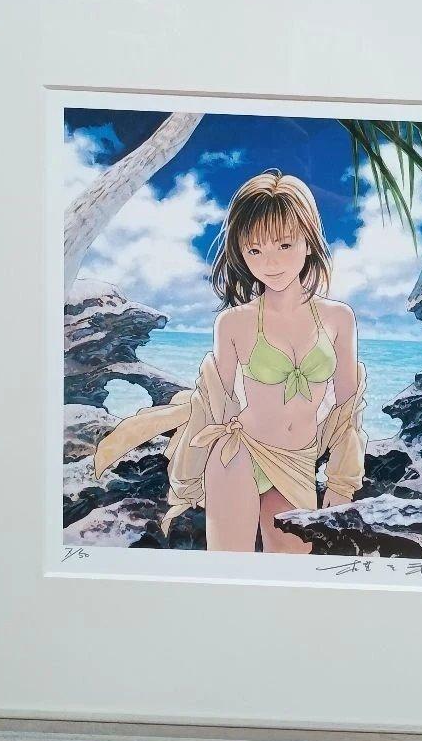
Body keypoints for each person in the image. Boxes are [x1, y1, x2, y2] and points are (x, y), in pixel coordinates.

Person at [93, 169, 367, 553]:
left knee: (291, 569)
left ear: (309, 243)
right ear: (240, 252)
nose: (270, 263)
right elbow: (214, 405)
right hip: (238, 452)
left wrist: (341, 482)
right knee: (230, 563)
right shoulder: (234, 323)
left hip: (299, 461)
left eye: (284, 245)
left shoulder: (339, 318)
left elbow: (348, 408)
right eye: (254, 250)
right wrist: (188, 475)